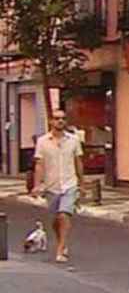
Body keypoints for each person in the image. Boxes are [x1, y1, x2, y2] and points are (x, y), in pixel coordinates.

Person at [29, 109, 84, 264]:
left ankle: (60, 249)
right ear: (51, 121)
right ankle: (62, 240)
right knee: (55, 219)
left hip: (69, 184)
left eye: (63, 118)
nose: (60, 121)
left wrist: (82, 183)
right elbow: (39, 164)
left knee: (64, 214)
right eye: (57, 118)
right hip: (51, 185)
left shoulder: (73, 140)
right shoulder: (42, 141)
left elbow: (78, 162)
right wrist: (37, 185)